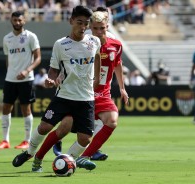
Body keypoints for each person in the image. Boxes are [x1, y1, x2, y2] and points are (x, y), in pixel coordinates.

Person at [27, 10, 128, 172]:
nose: (99, 32)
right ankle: (38, 156)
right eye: (95, 28)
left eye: (102, 28)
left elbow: (117, 64)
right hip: (76, 94)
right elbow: (69, 63)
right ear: (90, 28)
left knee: (109, 122)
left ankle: (76, 158)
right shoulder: (86, 41)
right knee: (63, 128)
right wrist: (57, 77)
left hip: (100, 94)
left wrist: (122, 88)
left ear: (107, 26)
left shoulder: (115, 44)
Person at [12, 5, 101, 172]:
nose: (83, 27)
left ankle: (67, 160)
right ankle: (30, 152)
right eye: (79, 22)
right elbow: (54, 69)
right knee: (44, 127)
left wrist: (97, 78)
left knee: (85, 138)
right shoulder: (61, 44)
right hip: (64, 95)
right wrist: (50, 80)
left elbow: (97, 58)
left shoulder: (94, 41)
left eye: (86, 24)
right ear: (71, 21)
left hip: (85, 98)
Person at [52, 6, 117, 161]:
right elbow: (67, 55)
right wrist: (60, 76)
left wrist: (117, 85)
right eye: (97, 22)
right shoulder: (85, 34)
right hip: (75, 84)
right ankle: (58, 140)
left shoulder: (112, 39)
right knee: (71, 119)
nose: (101, 26)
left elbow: (114, 62)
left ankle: (90, 150)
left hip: (95, 86)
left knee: (99, 120)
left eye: (105, 20)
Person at [0, 11, 41, 149]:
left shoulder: (31, 36)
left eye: (20, 20)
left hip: (26, 79)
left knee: (25, 109)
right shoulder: (6, 38)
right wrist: (10, 72)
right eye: (15, 20)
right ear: (11, 21)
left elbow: (38, 58)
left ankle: (27, 141)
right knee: (5, 108)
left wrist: (27, 71)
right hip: (10, 79)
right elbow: (8, 58)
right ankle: (5, 140)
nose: (17, 23)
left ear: (24, 21)